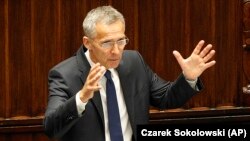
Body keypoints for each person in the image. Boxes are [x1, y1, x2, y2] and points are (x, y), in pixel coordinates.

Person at [43, 5, 216, 141]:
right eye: (107, 43)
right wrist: (81, 98)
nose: (117, 51)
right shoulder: (64, 74)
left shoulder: (134, 62)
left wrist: (189, 78)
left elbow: (165, 98)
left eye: (121, 41)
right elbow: (51, 129)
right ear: (87, 43)